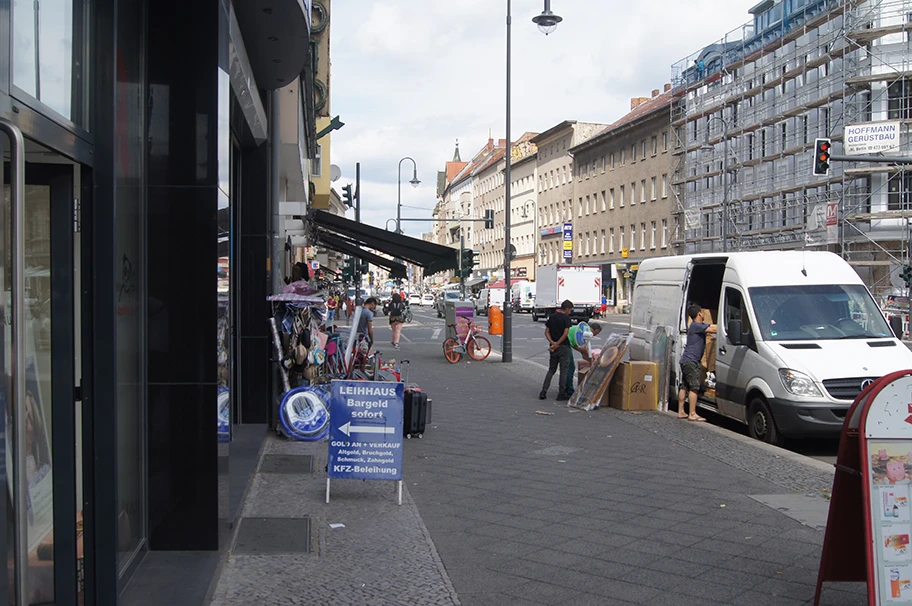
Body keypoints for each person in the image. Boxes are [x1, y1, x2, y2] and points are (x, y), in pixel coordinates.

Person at [678, 304, 717, 422]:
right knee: (694, 388)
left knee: (684, 386)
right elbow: (713, 329)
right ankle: (692, 413)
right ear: (699, 314)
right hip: (692, 361)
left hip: (685, 360)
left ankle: (681, 411)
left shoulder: (694, 326)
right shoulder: (696, 326)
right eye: (703, 312)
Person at [540, 300, 574, 401]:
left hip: (553, 348)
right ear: (567, 309)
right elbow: (565, 333)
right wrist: (558, 343)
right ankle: (561, 393)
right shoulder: (566, 319)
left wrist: (553, 343)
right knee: (564, 371)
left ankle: (543, 391)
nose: (570, 312)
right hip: (564, 347)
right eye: (570, 310)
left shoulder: (553, 317)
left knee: (551, 369)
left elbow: (546, 332)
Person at [564, 321, 603, 396]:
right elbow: (583, 348)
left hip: (565, 343)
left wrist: (584, 353)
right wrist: (591, 359)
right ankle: (569, 389)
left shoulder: (583, 329)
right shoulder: (588, 333)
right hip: (565, 345)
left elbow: (578, 346)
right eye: (596, 334)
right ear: (595, 330)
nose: (595, 335)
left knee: (564, 368)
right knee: (570, 367)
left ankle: (564, 387)